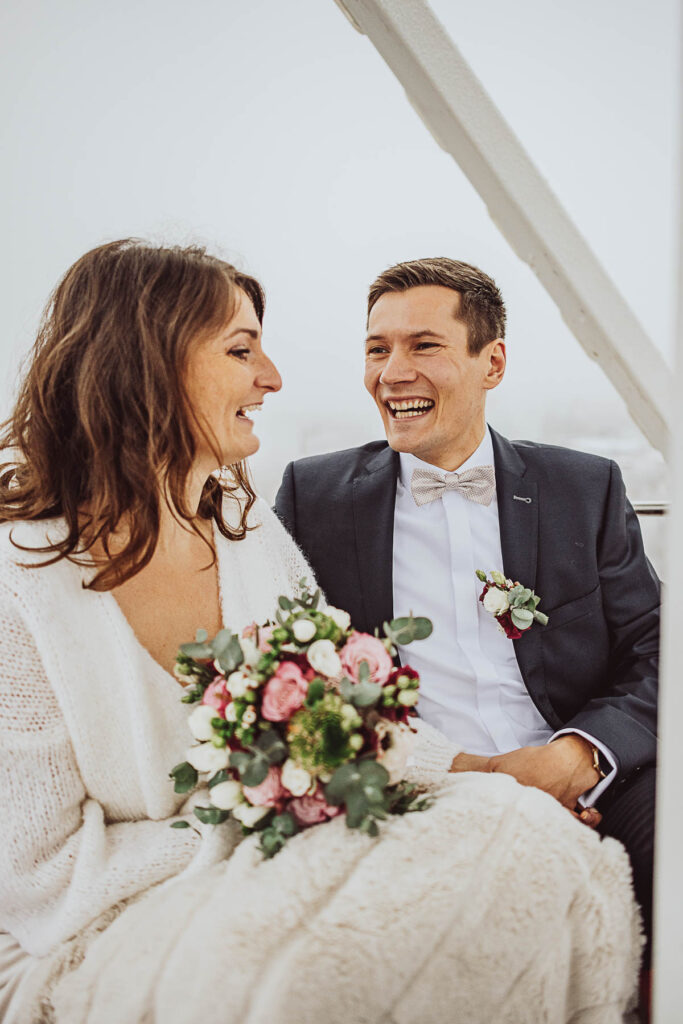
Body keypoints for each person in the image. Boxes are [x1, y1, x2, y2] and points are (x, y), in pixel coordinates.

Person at [0, 242, 642, 1024]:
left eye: (422, 346)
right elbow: (39, 874)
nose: (271, 377)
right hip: (116, 909)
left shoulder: (246, 535)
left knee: (526, 839)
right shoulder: (21, 583)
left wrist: (503, 772)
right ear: (149, 364)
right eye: (242, 350)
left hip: (314, 832)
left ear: (491, 363)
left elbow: (342, 706)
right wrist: (286, 819)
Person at [275, 258, 659, 968]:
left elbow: (656, 647)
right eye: (375, 348)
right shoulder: (313, 497)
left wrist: (574, 760)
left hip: (587, 772)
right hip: (421, 791)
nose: (392, 372)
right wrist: (472, 782)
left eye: (423, 345)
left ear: (492, 363)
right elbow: (297, 681)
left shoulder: (584, 487)